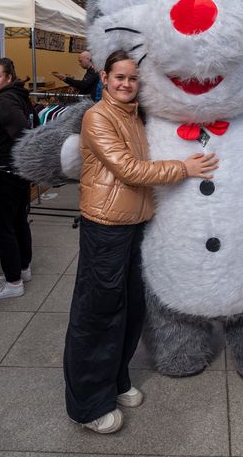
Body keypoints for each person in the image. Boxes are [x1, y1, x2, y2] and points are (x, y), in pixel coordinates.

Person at [64, 49, 219, 435]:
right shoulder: (97, 117)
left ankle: (116, 380)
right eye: (120, 77)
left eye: (133, 78)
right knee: (98, 313)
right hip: (105, 227)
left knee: (131, 308)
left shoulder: (134, 115)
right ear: (104, 78)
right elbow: (129, 170)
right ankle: (87, 403)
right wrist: (184, 168)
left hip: (134, 225)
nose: (127, 84)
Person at [0, 58, 33, 300]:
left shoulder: (5, 100)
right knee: (18, 221)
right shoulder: (19, 96)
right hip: (17, 171)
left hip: (5, 172)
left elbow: (23, 132)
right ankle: (22, 269)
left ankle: (13, 282)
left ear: (8, 78)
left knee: (1, 228)